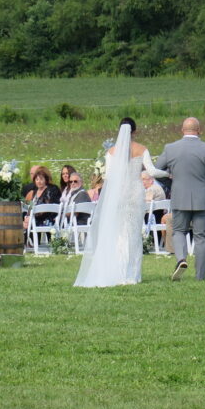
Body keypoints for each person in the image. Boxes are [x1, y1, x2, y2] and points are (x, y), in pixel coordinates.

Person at [75, 117, 170, 287]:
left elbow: (109, 176)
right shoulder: (141, 149)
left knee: (120, 232)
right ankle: (132, 274)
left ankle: (119, 272)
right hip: (135, 192)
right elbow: (153, 172)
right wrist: (168, 174)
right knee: (133, 233)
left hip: (119, 194)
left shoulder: (112, 152)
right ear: (135, 131)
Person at [153, 117, 205, 282]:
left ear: (182, 130)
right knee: (201, 237)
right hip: (202, 198)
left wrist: (171, 183)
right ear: (199, 130)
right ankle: (200, 276)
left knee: (178, 231)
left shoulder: (170, 148)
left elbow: (156, 170)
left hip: (179, 196)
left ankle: (181, 259)